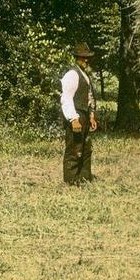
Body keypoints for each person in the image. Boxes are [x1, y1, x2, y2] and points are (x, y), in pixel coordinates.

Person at [60, 42, 98, 185]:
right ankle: (71, 181)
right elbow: (66, 98)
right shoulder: (72, 74)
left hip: (85, 115)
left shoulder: (85, 75)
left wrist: (92, 115)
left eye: (88, 57)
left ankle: (84, 178)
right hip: (76, 115)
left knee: (86, 148)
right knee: (74, 149)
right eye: (83, 57)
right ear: (77, 57)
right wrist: (73, 119)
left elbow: (89, 96)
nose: (86, 60)